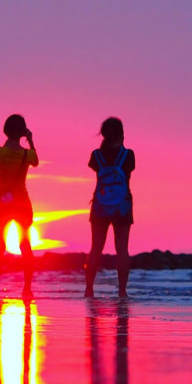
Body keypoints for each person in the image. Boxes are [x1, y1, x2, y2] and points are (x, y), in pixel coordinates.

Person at [0, 114, 39, 298]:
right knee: (25, 245)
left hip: (2, 202)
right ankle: (27, 289)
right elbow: (36, 161)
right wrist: (30, 140)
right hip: (23, 203)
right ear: (22, 131)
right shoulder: (27, 154)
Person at [85, 117, 135, 298]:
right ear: (121, 133)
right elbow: (129, 169)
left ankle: (89, 289)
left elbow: (95, 168)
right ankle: (122, 291)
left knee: (95, 248)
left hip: (100, 205)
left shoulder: (96, 155)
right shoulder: (128, 155)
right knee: (122, 249)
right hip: (122, 205)